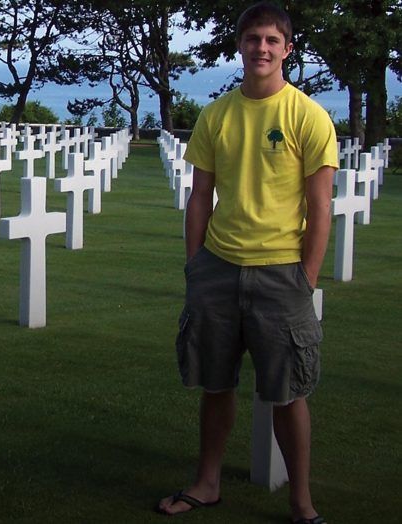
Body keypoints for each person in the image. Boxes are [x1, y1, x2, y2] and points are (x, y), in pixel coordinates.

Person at [156, 3, 338, 524]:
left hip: (282, 273)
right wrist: (196, 266)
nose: (261, 47)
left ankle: (301, 503)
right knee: (216, 385)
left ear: (287, 49)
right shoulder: (218, 114)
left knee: (288, 392)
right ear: (240, 46)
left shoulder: (308, 116)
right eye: (252, 38)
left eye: (271, 40)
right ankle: (207, 482)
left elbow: (321, 205)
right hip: (218, 267)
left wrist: (307, 276)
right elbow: (199, 197)